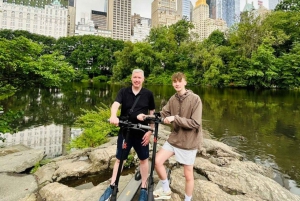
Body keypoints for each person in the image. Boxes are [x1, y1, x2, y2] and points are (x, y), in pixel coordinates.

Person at [138, 72, 202, 201]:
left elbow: (195, 123)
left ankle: (187, 199)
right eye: (174, 81)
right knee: (157, 161)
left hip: (189, 142)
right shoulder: (173, 99)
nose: (177, 83)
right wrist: (146, 117)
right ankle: (166, 190)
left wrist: (175, 118)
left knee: (188, 174)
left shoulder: (195, 99)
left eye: (179, 81)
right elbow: (162, 114)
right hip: (174, 138)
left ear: (185, 82)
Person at [99, 69, 155, 201]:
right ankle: (113, 185)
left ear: (143, 79)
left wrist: (150, 131)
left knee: (143, 159)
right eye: (134, 77)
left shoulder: (148, 94)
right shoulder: (123, 91)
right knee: (120, 159)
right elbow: (115, 105)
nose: (137, 80)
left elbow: (152, 113)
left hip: (141, 132)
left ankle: (144, 187)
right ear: (131, 78)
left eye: (139, 77)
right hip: (125, 131)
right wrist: (113, 116)